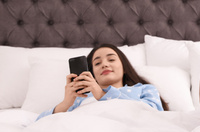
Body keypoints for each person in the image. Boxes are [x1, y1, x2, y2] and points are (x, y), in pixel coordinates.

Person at [37, 44, 168, 120]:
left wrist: (102, 94)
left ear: (124, 67)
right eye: (97, 63)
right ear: (92, 73)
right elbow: (39, 125)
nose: (104, 64)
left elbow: (155, 117)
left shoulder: (144, 89)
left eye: (111, 60)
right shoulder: (81, 98)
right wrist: (65, 103)